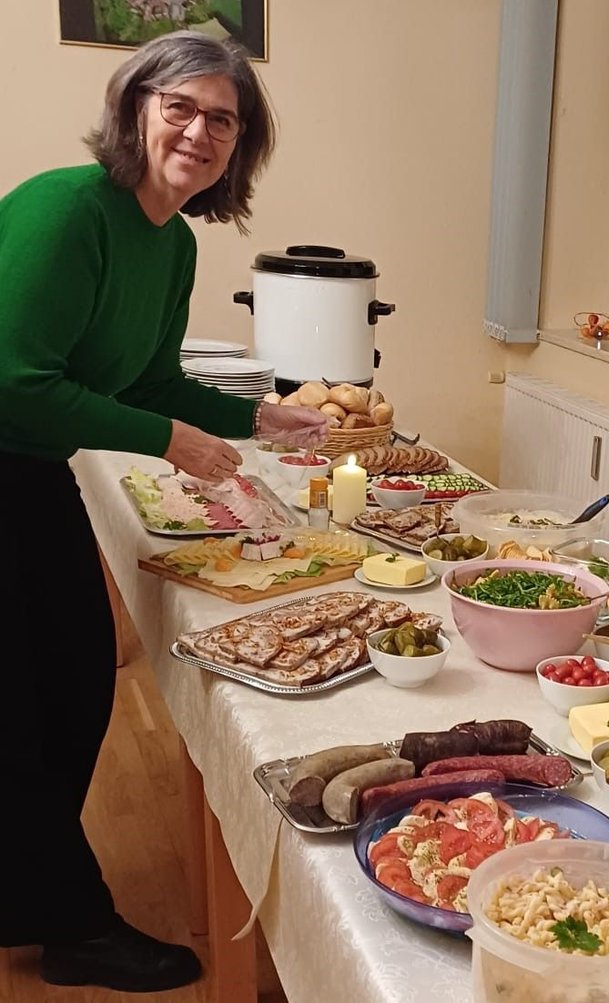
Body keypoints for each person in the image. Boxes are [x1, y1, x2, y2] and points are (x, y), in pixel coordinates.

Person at [0, 32, 330, 991]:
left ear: (241, 146)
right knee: (24, 705)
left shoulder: (173, 242)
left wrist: (259, 416)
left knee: (71, 682)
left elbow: (148, 381)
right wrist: (175, 442)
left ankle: (34, 899)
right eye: (179, 106)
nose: (198, 130)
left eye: (222, 119)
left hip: (26, 471)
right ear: (134, 107)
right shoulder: (70, 210)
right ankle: (68, 923)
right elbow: (14, 383)